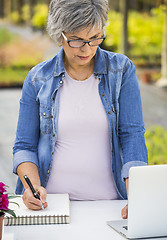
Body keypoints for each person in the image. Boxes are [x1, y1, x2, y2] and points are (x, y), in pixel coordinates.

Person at [13, 0, 148, 219]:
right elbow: (24, 146)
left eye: (95, 38)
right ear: (60, 35)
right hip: (52, 208)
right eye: (76, 40)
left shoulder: (121, 70)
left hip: (111, 205)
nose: (87, 49)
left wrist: (138, 198)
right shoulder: (38, 78)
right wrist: (32, 187)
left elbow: (132, 136)